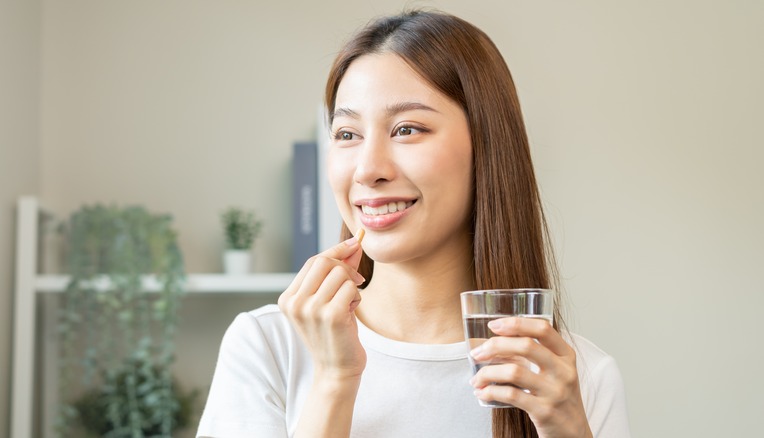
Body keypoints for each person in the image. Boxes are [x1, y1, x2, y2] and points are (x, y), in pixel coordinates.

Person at [197, 10, 630, 438]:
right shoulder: (267, 346)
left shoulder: (572, 380)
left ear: (488, 148)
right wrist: (333, 379)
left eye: (406, 129)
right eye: (347, 134)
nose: (368, 170)